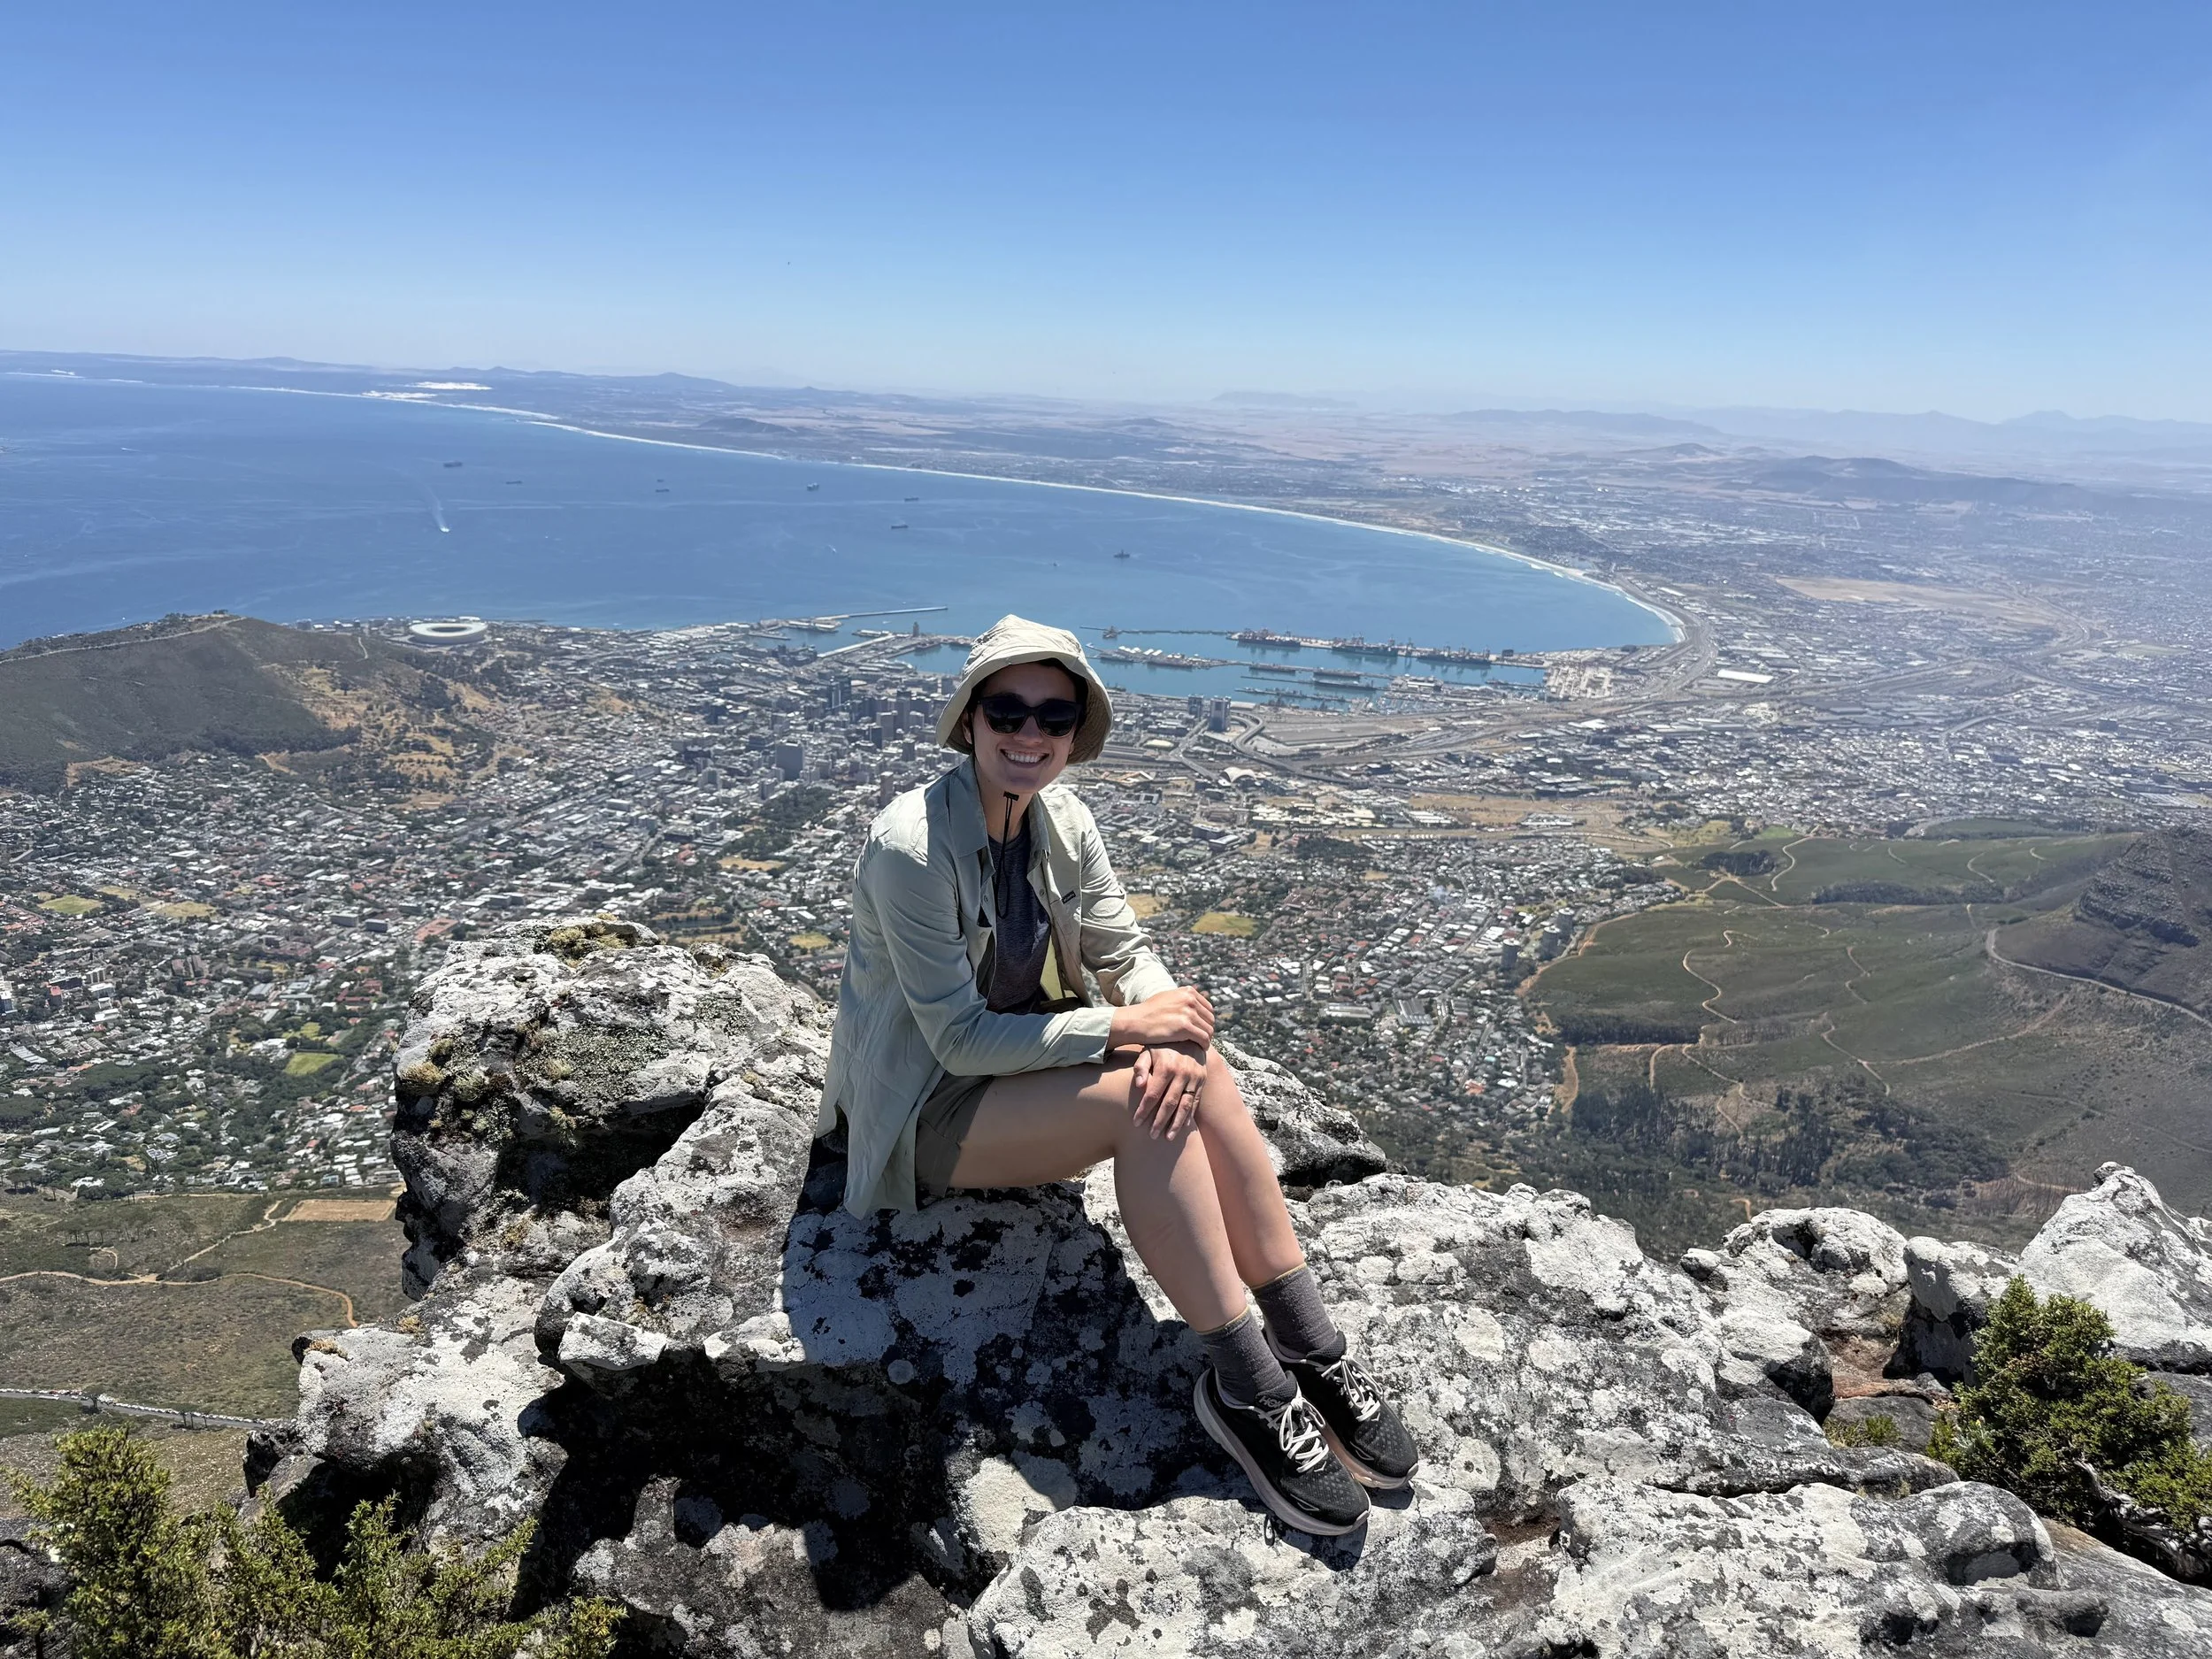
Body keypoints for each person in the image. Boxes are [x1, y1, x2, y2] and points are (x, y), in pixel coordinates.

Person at [818, 615, 1417, 1536]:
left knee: (1193, 1065)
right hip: (927, 1109)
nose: (1029, 735)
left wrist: (1167, 1027)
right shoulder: (911, 847)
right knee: (1147, 1105)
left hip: (1019, 1070)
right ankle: (1247, 1388)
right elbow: (960, 1043)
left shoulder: (1065, 820)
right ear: (968, 720)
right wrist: (1132, 1025)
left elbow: (1124, 950)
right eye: (1006, 711)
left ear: (1074, 731)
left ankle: (1307, 1346)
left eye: (1052, 717)